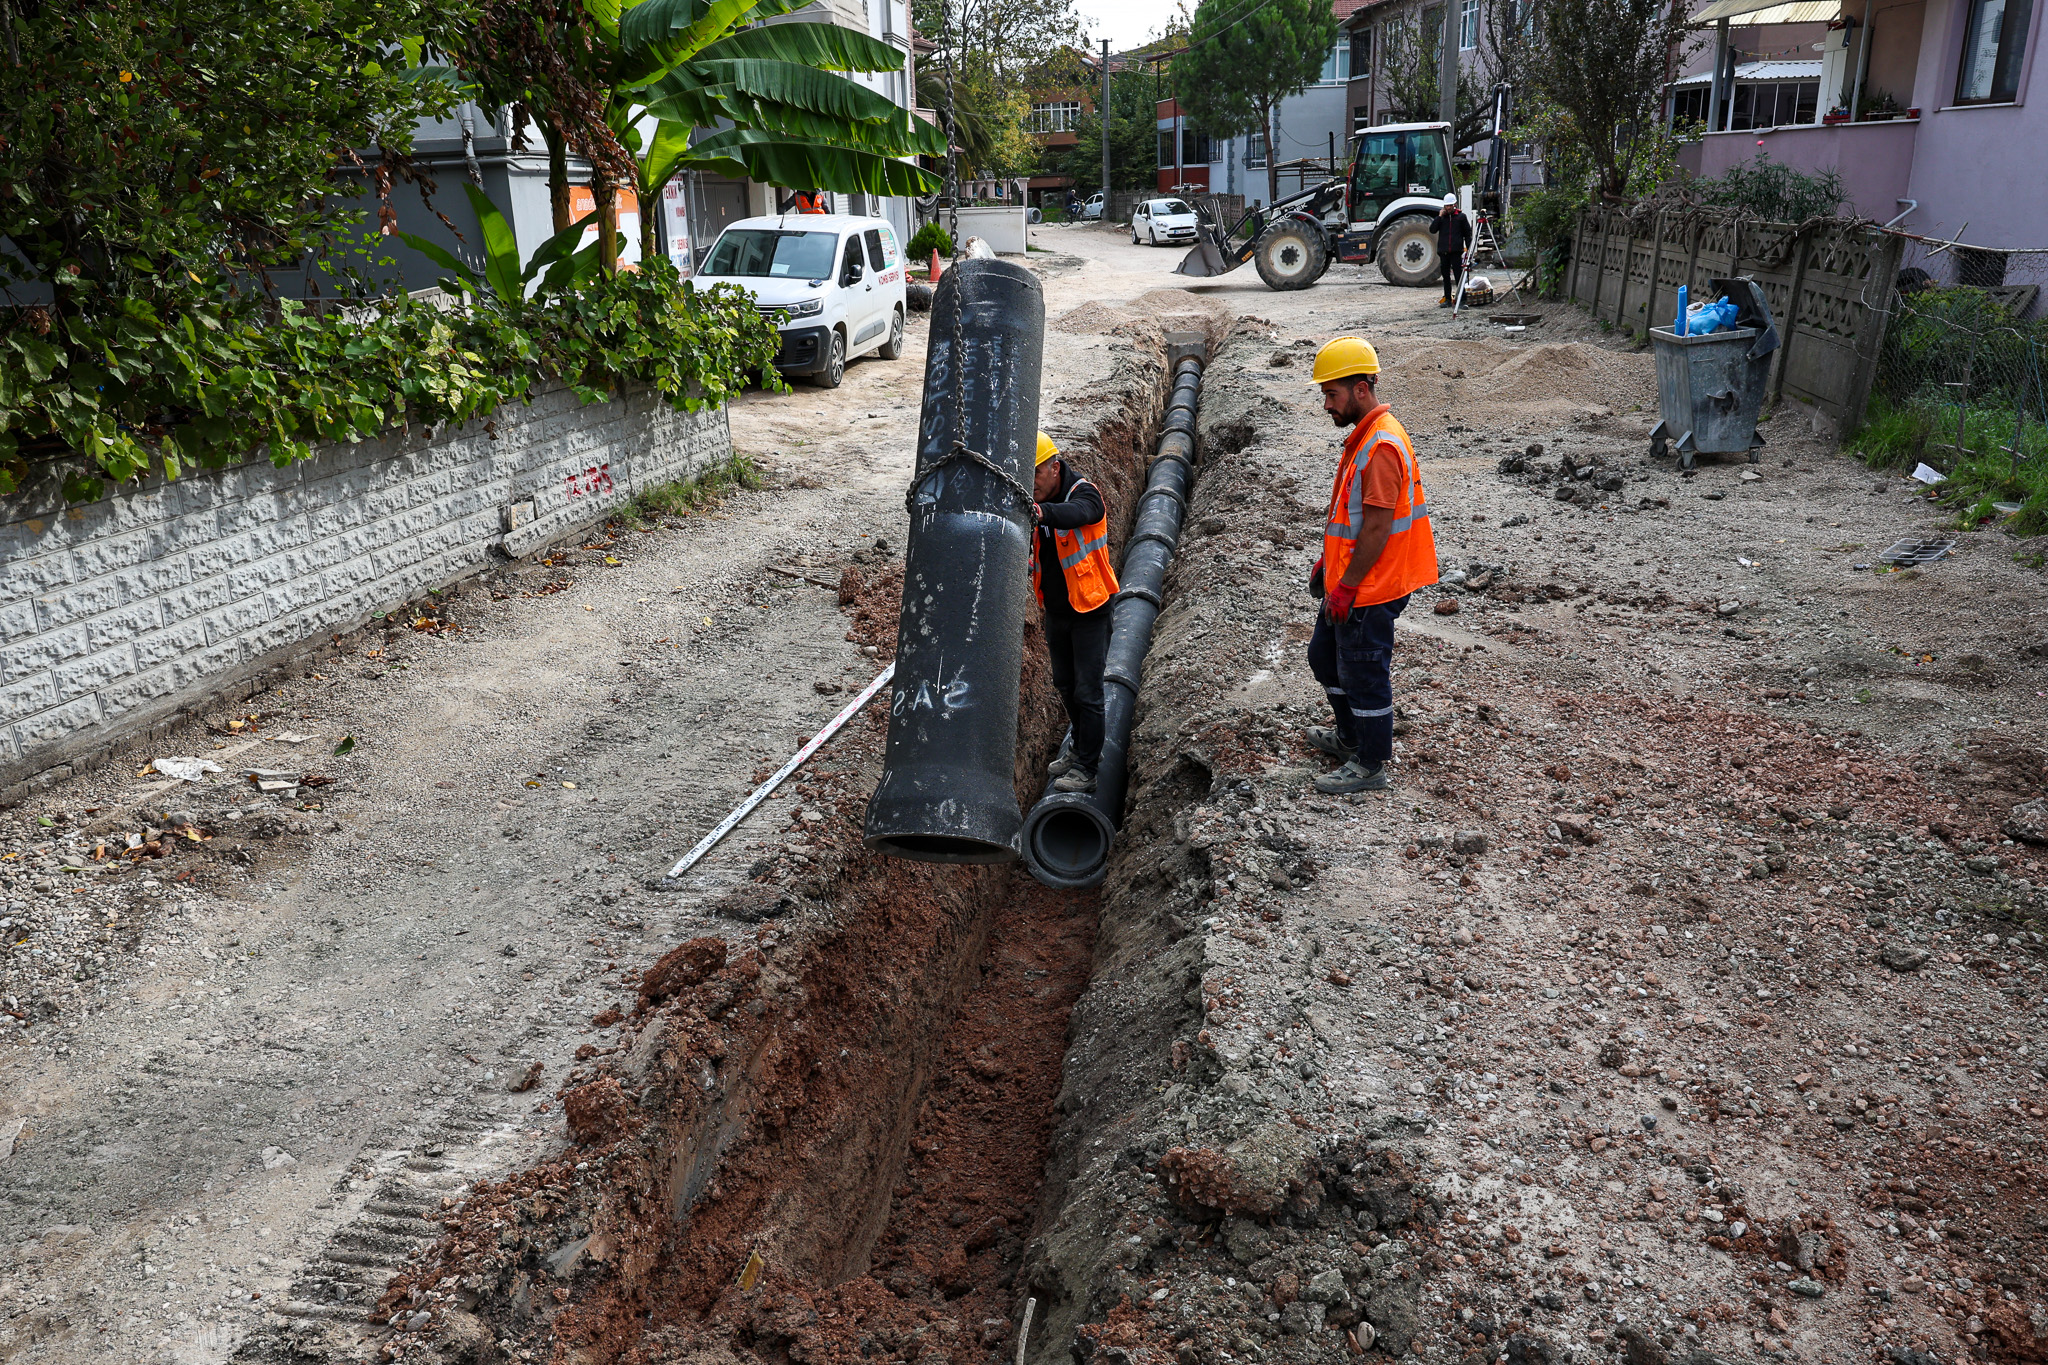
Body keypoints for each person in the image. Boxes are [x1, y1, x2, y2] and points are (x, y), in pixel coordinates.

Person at [1302, 337, 1439, 794]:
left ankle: (1369, 763)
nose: (1326, 404)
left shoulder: (1380, 445)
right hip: (1353, 580)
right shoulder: (1365, 437)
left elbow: (1377, 529)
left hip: (1371, 586)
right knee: (1324, 657)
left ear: (1361, 389)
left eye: (1331, 394)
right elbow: (1352, 517)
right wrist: (1328, 561)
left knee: (1363, 671)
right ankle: (1349, 737)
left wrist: (1346, 588)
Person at [1030, 432, 1118, 794]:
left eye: (1035, 472)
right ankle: (1079, 749)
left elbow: (1082, 513)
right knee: (1065, 685)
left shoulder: (1084, 492)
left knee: (1088, 692)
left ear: (1054, 467)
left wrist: (1042, 513)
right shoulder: (1034, 495)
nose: (1030, 482)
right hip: (1056, 609)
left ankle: (1087, 768)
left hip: (1090, 608)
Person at [1429, 193, 1471, 308]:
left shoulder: (1461, 217)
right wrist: (1439, 217)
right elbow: (1432, 230)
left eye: (1450, 205)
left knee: (1459, 276)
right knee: (1446, 277)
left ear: (1455, 205)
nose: (1448, 208)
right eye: (1446, 206)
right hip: (1444, 252)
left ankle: (1462, 300)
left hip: (1456, 252)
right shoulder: (1442, 218)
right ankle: (1447, 298)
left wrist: (1469, 249)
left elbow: (1467, 234)